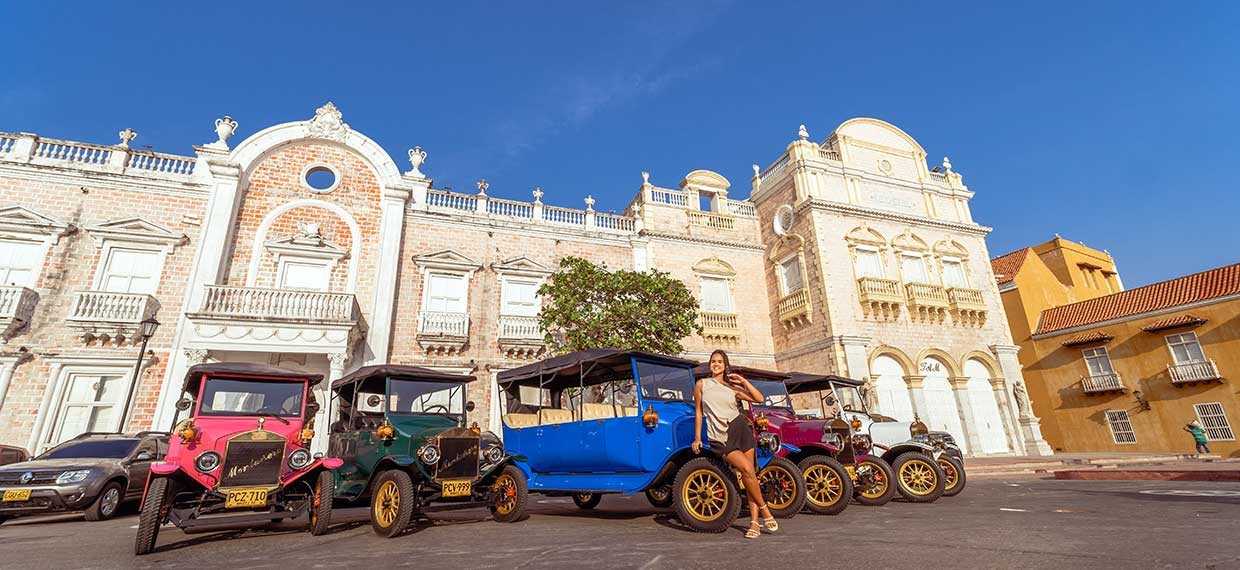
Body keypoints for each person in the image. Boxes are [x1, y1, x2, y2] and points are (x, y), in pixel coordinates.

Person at [692, 349, 777, 539]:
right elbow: (698, 413)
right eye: (713, 361)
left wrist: (744, 382)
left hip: (740, 429)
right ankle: (765, 510)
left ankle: (754, 523)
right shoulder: (701, 384)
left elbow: (759, 398)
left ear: (725, 365)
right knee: (747, 469)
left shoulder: (732, 388)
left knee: (750, 475)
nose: (716, 364)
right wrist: (697, 438)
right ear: (709, 364)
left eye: (720, 362)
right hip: (719, 436)